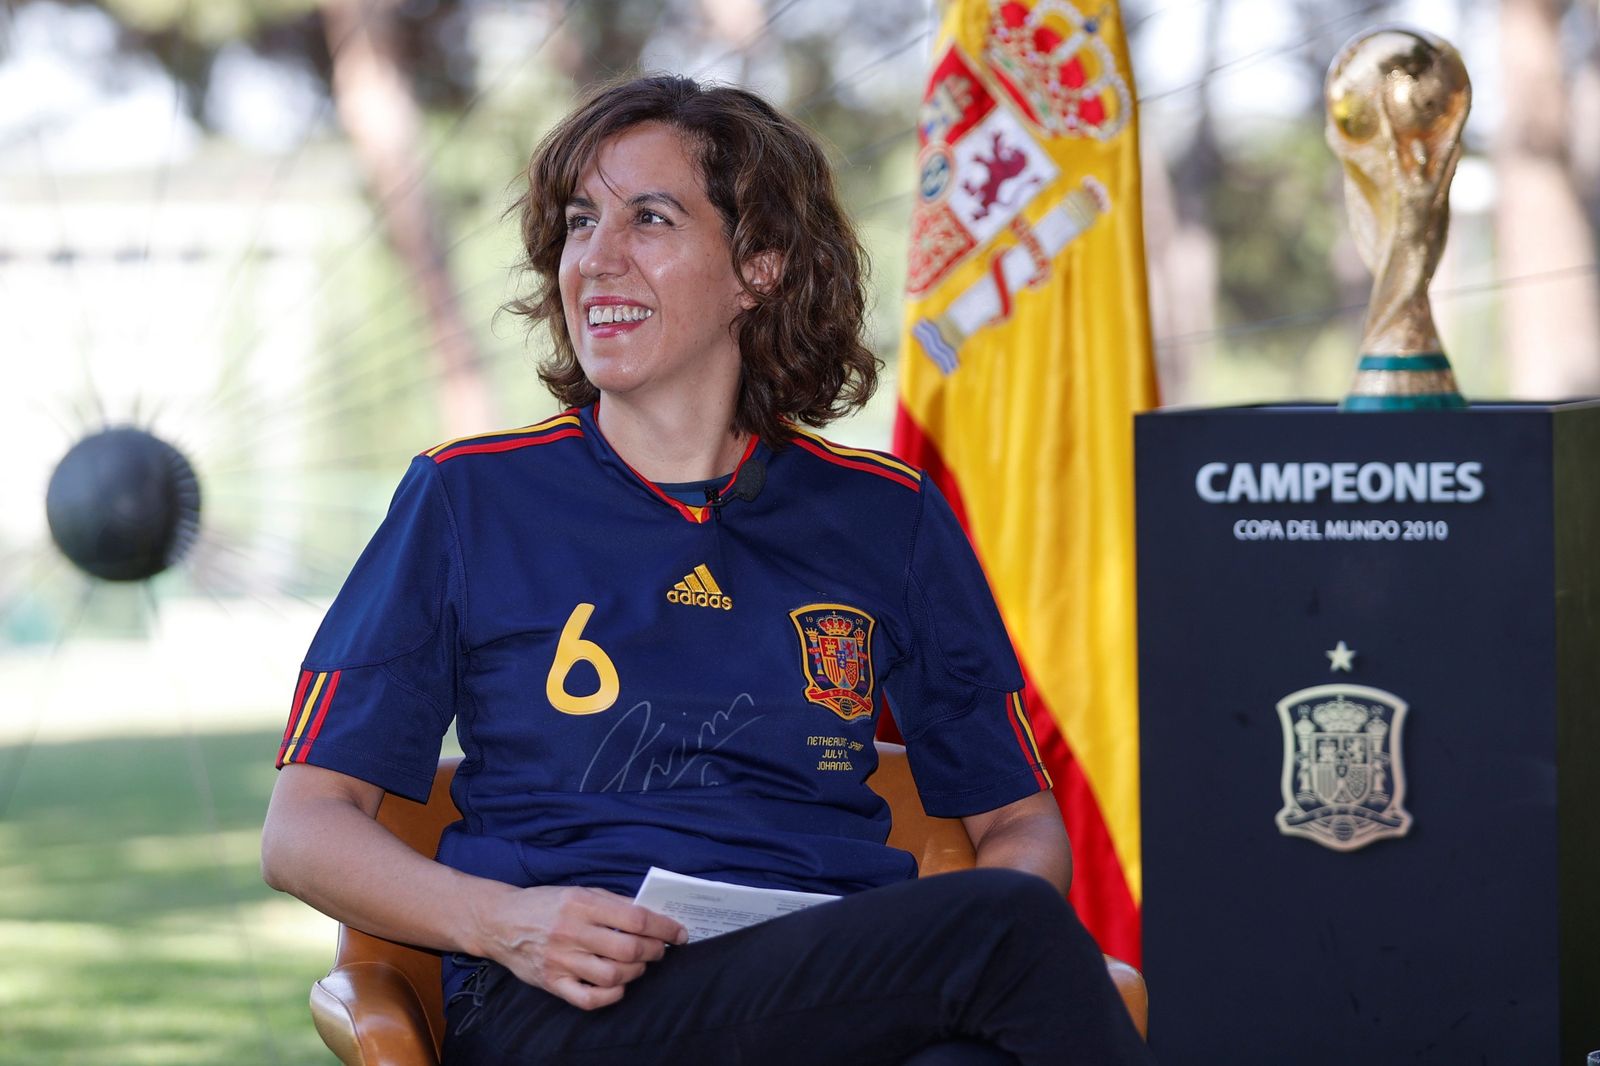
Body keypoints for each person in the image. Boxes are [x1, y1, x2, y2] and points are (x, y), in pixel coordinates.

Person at [261, 74, 1153, 1066]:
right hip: (566, 1008)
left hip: (832, 993)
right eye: (578, 221)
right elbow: (302, 830)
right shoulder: (468, 499)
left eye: (649, 218)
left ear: (758, 268)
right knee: (1003, 931)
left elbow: (1019, 817)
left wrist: (917, 948)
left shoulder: (884, 516)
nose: (595, 260)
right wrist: (504, 922)